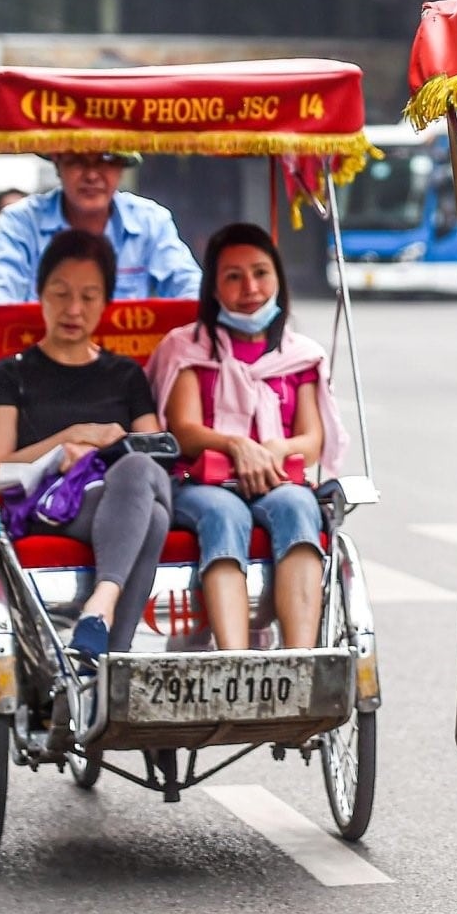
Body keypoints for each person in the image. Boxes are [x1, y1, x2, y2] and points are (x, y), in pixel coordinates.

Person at [0, 229, 173, 663]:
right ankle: (113, 660)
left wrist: (108, 447)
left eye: (88, 296)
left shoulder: (125, 374)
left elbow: (154, 448)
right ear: (40, 294)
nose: (73, 309)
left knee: (142, 478)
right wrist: (68, 439)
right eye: (61, 293)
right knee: (152, 513)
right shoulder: (11, 375)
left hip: (122, 494)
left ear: (105, 302)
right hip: (48, 505)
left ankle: (97, 627)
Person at [149, 224, 347, 651]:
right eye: (233, 276)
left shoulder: (300, 356)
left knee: (298, 506)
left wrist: (276, 450)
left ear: (278, 279)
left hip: (276, 480)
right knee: (225, 515)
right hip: (200, 484)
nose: (250, 287)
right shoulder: (185, 347)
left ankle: (300, 658)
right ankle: (235, 659)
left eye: (260, 273)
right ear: (214, 288)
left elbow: (310, 439)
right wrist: (237, 445)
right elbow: (183, 430)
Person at [0, 151, 199, 324]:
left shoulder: (150, 220)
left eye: (106, 159)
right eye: (77, 160)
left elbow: (190, 291)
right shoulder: (22, 221)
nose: (91, 175)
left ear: (122, 167)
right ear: (57, 163)